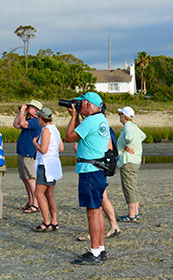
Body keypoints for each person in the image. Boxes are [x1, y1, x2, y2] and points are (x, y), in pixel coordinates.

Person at [65, 92, 110, 264]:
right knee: (97, 210)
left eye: (82, 102)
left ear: (89, 104)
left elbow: (69, 137)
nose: (80, 105)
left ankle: (94, 253)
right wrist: (78, 116)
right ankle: (100, 249)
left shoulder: (90, 121)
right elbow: (80, 133)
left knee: (92, 212)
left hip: (89, 170)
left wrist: (73, 116)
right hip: (98, 170)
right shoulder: (101, 120)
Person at [31, 108, 64, 232]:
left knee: (38, 194)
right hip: (54, 164)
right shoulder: (55, 129)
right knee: (49, 194)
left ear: (41, 118)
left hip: (45, 164)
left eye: (38, 117)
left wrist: (35, 143)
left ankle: (46, 222)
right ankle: (54, 221)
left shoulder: (46, 130)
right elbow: (61, 148)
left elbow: (43, 150)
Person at [116, 106, 146, 222]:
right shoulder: (134, 126)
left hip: (128, 161)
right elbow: (143, 136)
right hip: (135, 160)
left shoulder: (128, 126)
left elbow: (129, 137)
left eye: (120, 114)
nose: (119, 116)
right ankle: (136, 213)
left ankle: (132, 215)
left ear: (124, 116)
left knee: (128, 187)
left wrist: (126, 146)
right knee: (132, 186)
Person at [13, 100, 43, 214]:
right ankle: (30, 201)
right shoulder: (29, 119)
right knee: (25, 179)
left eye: (29, 107)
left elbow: (23, 124)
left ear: (35, 110)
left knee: (31, 179)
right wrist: (20, 112)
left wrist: (22, 111)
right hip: (22, 152)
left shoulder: (36, 121)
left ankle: (36, 203)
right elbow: (16, 124)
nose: (27, 108)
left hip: (30, 153)